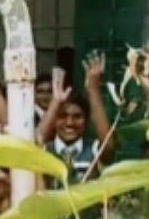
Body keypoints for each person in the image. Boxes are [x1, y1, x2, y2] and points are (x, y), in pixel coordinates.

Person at [36, 55, 113, 187]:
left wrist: (93, 90)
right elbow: (35, 142)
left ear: (87, 121)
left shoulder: (93, 150)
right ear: (54, 120)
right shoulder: (44, 150)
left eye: (77, 116)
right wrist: (56, 101)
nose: (70, 122)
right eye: (62, 116)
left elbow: (108, 145)